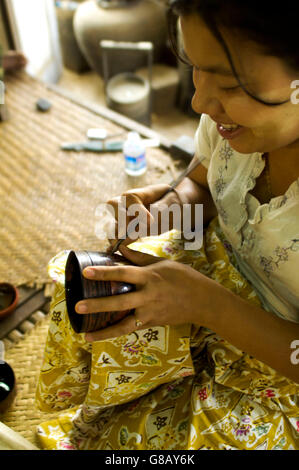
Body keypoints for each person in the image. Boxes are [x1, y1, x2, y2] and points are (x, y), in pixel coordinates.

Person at [36, 0, 299, 450]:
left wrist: (207, 305)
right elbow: (202, 186)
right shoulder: (231, 123)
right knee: (83, 289)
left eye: (231, 83)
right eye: (195, 67)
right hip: (215, 270)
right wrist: (169, 207)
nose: (200, 101)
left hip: (279, 355)